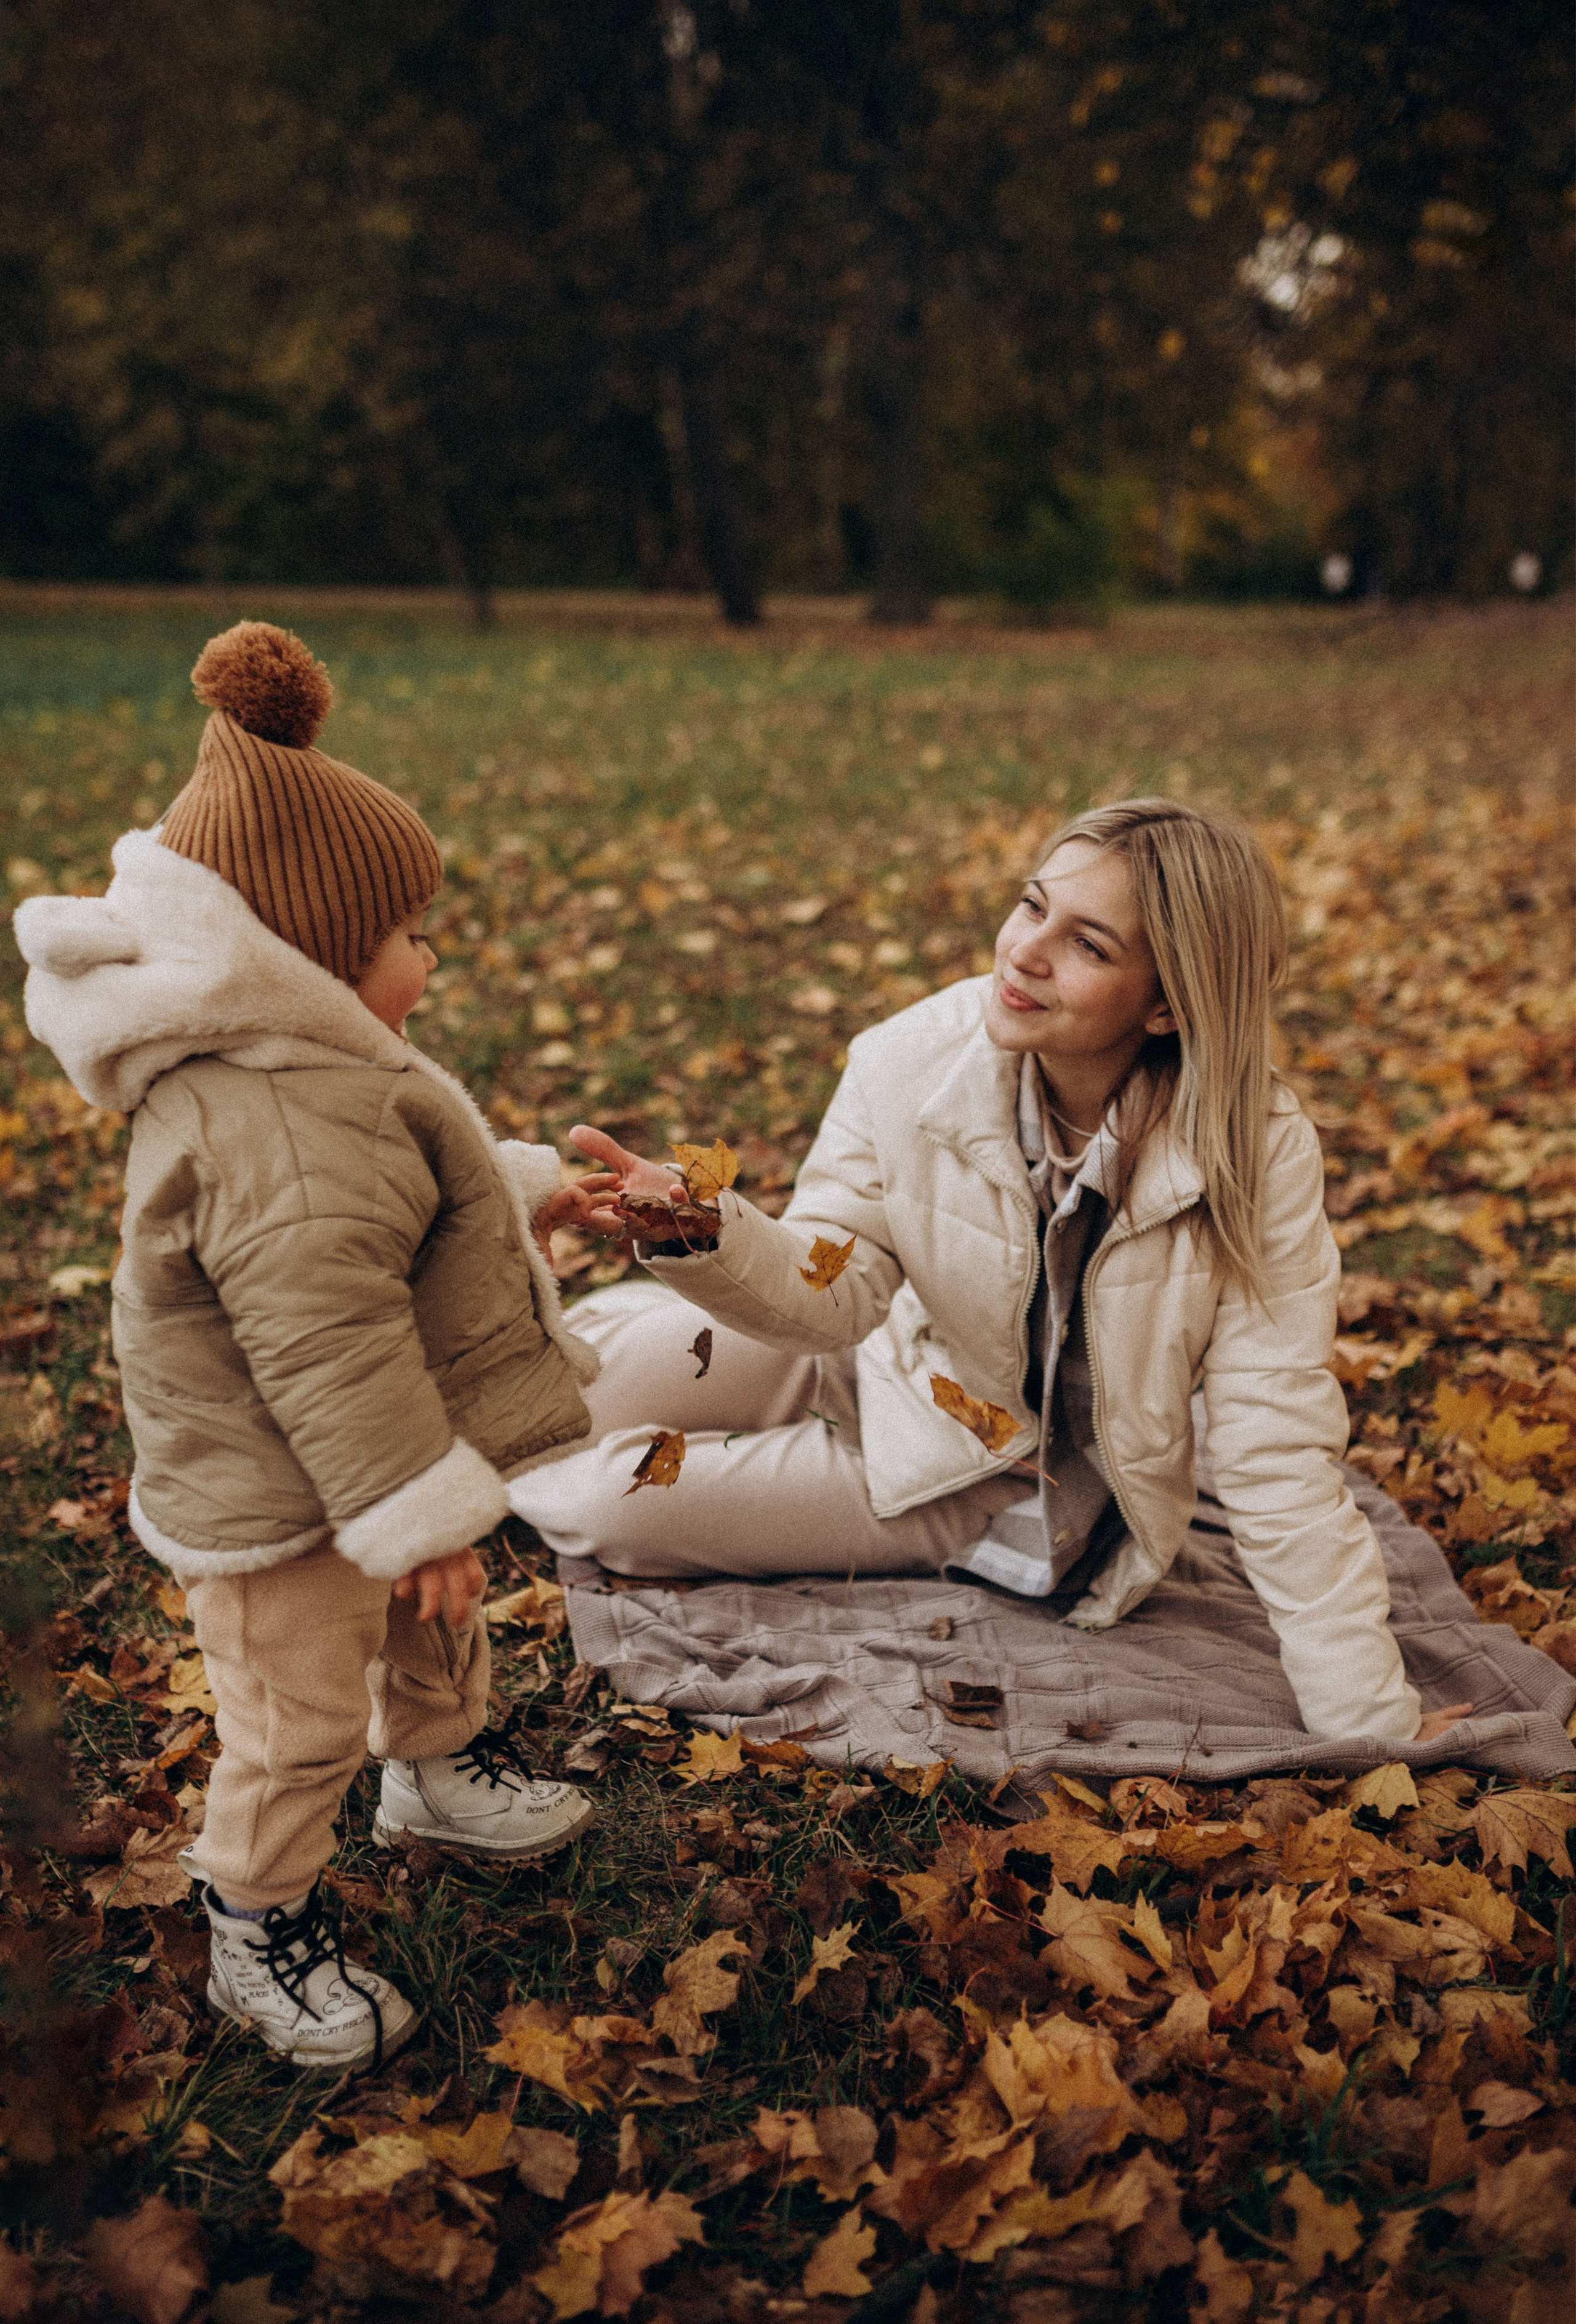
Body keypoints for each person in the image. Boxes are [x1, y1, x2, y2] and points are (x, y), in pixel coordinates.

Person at [518, 799, 1470, 1747]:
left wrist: (1367, 1714)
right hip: (883, 1352)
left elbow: (1273, 1440)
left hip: (994, 1471)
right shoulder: (907, 1059)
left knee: (615, 1501)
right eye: (1032, 905)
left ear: (1167, 1004)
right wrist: (707, 1230)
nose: (1025, 952)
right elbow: (833, 1289)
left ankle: (463, 1488)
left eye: (1087, 944)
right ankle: (461, 1455)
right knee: (567, 1387)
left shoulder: (1253, 1156)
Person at [16, 622, 616, 2071]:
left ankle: (436, 1771)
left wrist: (537, 1187)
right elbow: (326, 1331)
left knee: (430, 1623)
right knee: (296, 1721)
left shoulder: (303, 1066)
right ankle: (255, 1915)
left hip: (359, 1455)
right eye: (407, 934)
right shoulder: (270, 1120)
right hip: (282, 1495)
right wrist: (415, 1510)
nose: (430, 954)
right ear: (316, 960)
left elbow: (406, 1183)